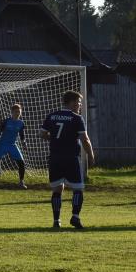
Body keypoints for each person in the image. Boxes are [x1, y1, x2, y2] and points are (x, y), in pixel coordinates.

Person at [41, 90, 95, 229]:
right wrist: (91, 155)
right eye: (78, 102)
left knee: (57, 189)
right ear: (70, 102)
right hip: (71, 158)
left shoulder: (51, 116)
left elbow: (41, 134)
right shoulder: (76, 118)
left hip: (55, 158)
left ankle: (56, 221)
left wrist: (55, 139)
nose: (79, 105)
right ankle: (75, 217)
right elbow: (85, 140)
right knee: (78, 189)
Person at [0, 103, 28, 188]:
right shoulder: (6, 121)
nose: (17, 113)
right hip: (2, 144)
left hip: (12, 145)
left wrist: (24, 143)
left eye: (19, 112)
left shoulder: (21, 123)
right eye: (16, 112)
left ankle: (21, 182)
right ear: (12, 112)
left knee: (21, 162)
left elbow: (22, 135)